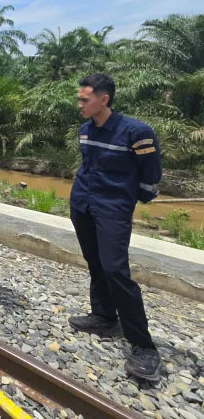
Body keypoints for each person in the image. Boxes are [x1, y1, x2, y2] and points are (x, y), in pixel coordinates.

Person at [67, 74, 163, 381]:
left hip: (113, 210)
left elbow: (150, 174)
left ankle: (144, 347)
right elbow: (87, 166)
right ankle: (105, 317)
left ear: (104, 99)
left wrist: (137, 197)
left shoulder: (136, 132)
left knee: (115, 270)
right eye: (79, 98)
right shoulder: (84, 130)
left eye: (84, 99)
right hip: (83, 205)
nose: (79, 104)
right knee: (95, 263)